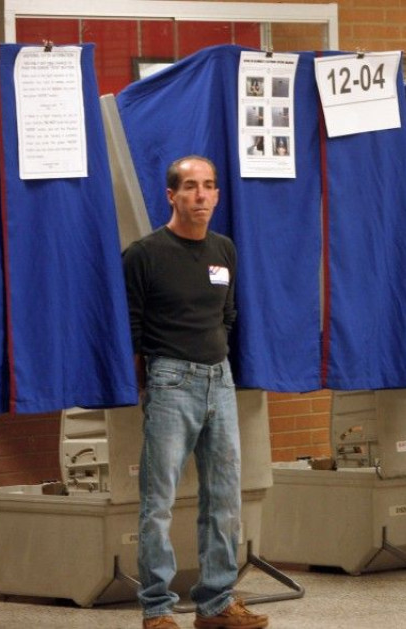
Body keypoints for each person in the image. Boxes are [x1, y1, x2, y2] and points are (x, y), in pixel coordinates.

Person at [122, 156, 269, 629]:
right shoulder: (143, 254)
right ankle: (157, 609)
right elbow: (133, 328)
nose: (201, 195)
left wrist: (216, 360)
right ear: (172, 196)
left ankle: (217, 603)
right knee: (158, 501)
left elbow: (227, 315)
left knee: (225, 497)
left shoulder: (223, 250)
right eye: (190, 187)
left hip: (219, 380)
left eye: (208, 186)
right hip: (170, 381)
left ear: (218, 194)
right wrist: (157, 377)